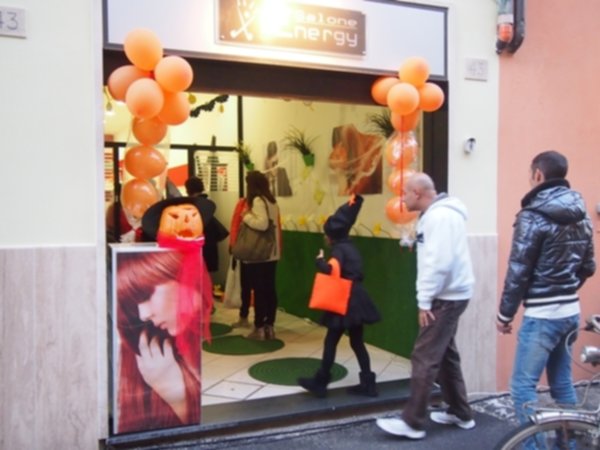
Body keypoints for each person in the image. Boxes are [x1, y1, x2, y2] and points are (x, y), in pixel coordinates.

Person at [496, 151, 596, 434]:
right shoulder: (582, 213)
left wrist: (504, 315)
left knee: (522, 387)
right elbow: (588, 267)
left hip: (542, 316)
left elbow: (518, 271)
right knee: (562, 383)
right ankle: (572, 443)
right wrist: (565, 289)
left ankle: (533, 445)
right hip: (570, 311)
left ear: (538, 174)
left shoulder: (531, 215)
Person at [376, 172, 476, 440]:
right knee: (445, 355)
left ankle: (413, 423)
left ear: (417, 193)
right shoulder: (440, 215)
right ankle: (461, 413)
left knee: (424, 357)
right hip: (453, 294)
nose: (402, 199)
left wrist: (424, 302)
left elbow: (438, 264)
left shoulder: (438, 217)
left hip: (445, 298)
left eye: (404, 193)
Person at [114, 250, 209, 433]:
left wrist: (178, 396)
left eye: (146, 296)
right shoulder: (145, 356)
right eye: (134, 306)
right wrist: (175, 394)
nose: (143, 315)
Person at [297, 194, 381, 398]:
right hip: (357, 299)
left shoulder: (338, 251)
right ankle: (368, 383)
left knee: (330, 341)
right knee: (357, 342)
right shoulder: (351, 247)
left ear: (331, 236)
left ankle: (320, 382)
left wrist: (319, 261)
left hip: (344, 301)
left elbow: (331, 271)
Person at [184, 177, 229, 273]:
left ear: (188, 190)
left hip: (197, 246)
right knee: (206, 276)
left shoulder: (191, 205)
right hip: (209, 245)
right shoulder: (207, 204)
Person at [228, 197, 253, 328]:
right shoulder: (243, 203)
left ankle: (261, 322)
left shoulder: (265, 203)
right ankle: (245, 317)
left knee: (255, 287)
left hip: (258, 252)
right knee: (246, 286)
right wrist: (233, 244)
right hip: (247, 250)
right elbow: (235, 224)